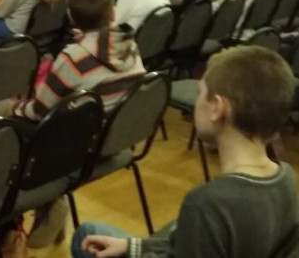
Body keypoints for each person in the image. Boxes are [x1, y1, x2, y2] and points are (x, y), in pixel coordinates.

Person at [73, 45, 298, 258]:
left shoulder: (207, 205)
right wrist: (133, 247)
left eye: (201, 93)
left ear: (217, 108)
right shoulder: (286, 176)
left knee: (86, 234)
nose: (197, 101)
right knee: (93, 232)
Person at [11, 0, 145, 249]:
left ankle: (31, 210)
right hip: (117, 138)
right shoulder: (130, 45)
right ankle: (50, 203)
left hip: (81, 149)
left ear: (70, 16)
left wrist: (13, 108)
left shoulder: (73, 57)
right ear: (112, 13)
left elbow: (39, 111)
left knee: (7, 129)